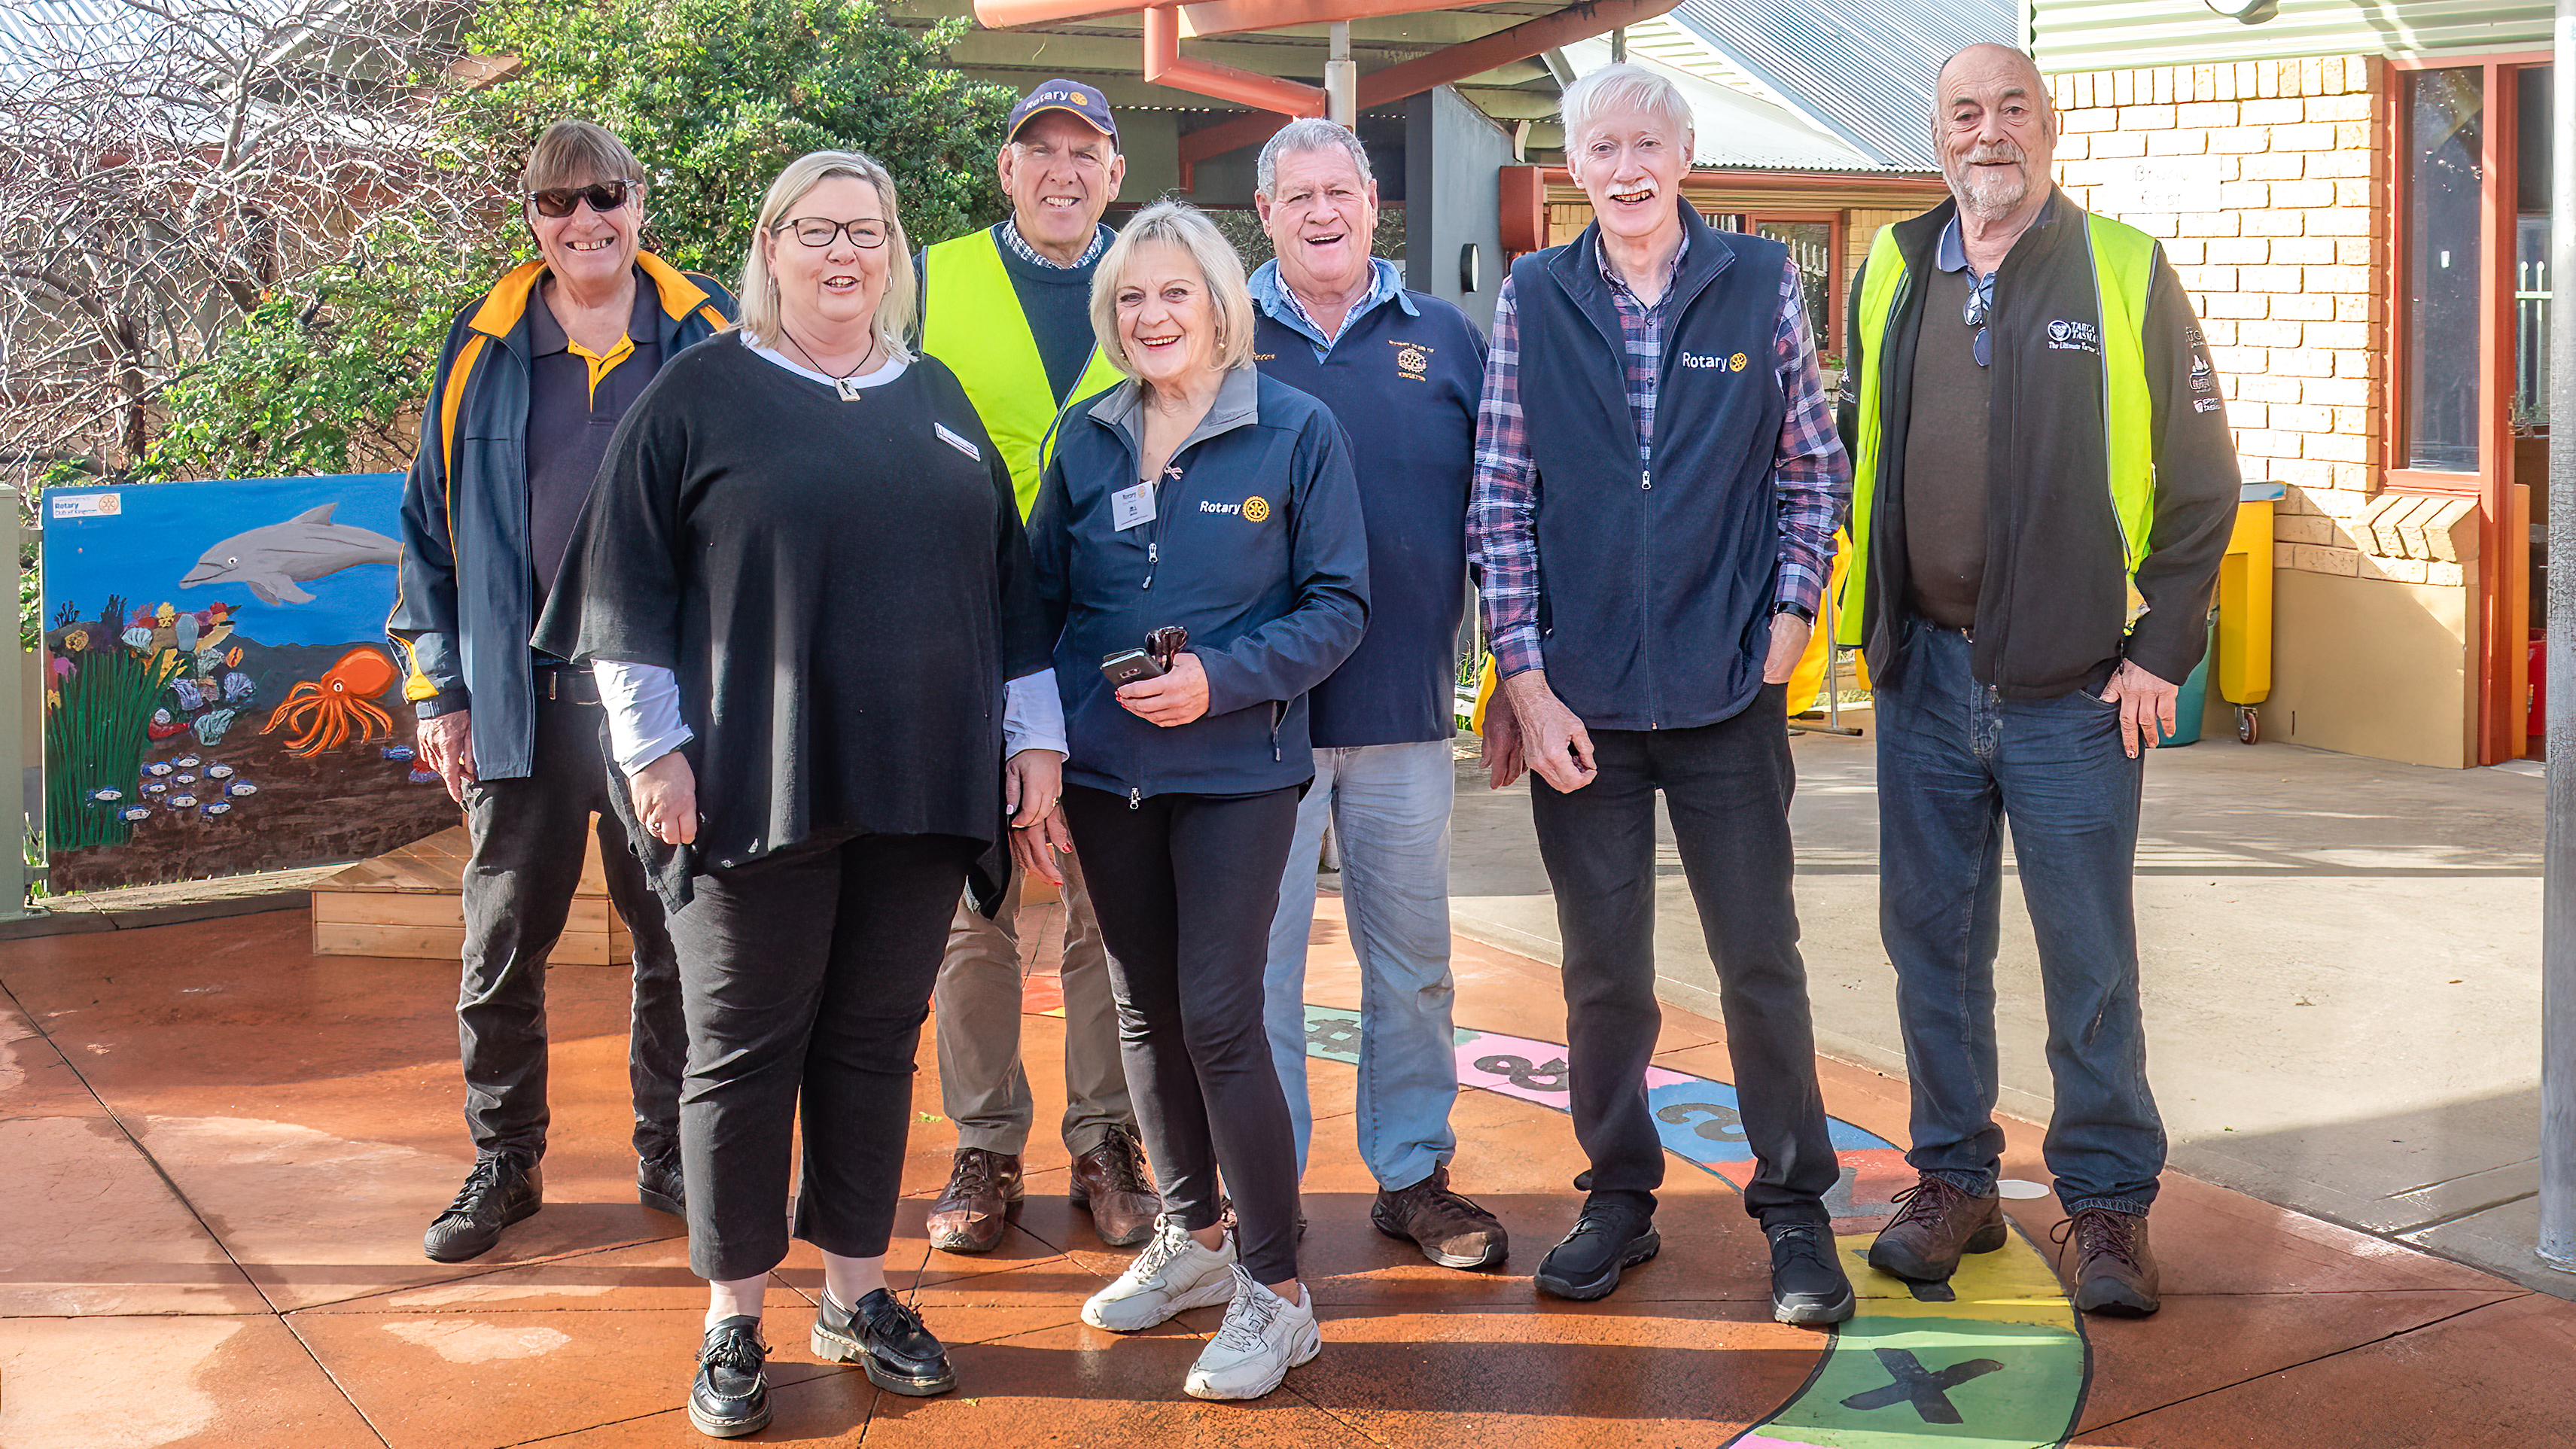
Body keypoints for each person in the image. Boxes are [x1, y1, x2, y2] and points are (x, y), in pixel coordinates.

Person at [531, 151, 1058, 1437]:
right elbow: (623, 595)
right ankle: (734, 1319)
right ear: (768, 248)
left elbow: (1011, 592)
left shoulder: (933, 397)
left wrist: (1031, 743)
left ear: (894, 252)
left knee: (876, 1043)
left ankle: (858, 1290)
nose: (843, 255)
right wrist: (652, 752)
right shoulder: (699, 394)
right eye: (815, 231)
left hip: (919, 787)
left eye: (867, 232)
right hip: (745, 786)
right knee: (744, 1049)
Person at [1839, 44, 2238, 1318]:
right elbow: (1862, 456)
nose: (1988, 132)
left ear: (2048, 128)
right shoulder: (1890, 269)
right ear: (1937, 133)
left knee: (2088, 959)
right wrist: (1871, 629)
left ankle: (2107, 1208)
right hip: (1924, 685)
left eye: (2012, 108)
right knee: (1931, 952)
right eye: (1966, 112)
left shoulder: (2121, 268)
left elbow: (2201, 476)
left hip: (2075, 689)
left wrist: (2158, 648)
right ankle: (1953, 1182)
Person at [1469, 63, 1854, 1326]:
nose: (1625, 168)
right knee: (1602, 973)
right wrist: (1523, 679)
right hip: (1578, 697)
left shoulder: (1755, 282)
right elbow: (1500, 496)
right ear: (1571, 166)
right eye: (1601, 147)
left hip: (1725, 690)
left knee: (1759, 959)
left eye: (1647, 143)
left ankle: (1794, 1208)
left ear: (1685, 156)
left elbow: (1812, 463)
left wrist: (1791, 615)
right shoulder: (1535, 292)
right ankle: (1618, 1195)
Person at [1016, 200, 1368, 1401]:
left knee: (1218, 1015)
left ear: (1221, 306)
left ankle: (1279, 1290)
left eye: (1174, 293)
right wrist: (1042, 752)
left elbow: (1338, 607)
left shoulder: (1295, 431)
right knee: (1139, 1012)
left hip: (1237, 773)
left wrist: (1222, 676)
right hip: (1110, 776)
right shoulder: (1086, 439)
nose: (1151, 315)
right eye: (1129, 298)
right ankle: (1193, 1239)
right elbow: (1040, 610)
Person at [391, 120, 732, 1265]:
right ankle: (505, 1156)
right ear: (530, 220)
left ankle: (673, 1148)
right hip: (520, 705)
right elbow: (426, 535)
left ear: (640, 202)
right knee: (501, 944)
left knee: (677, 940)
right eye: (557, 203)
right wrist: (439, 691)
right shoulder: (484, 343)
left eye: (604, 197)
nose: (584, 221)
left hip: (663, 712)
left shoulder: (709, 335)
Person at [1246, 117, 1505, 1269]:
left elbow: (1504, 517)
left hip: (1403, 713)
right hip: (1260, 723)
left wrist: (1510, 674)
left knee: (1412, 965)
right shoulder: (1219, 329)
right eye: (1294, 195)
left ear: (1369, 201)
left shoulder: (1445, 338)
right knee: (1262, 972)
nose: (1319, 212)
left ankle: (1412, 1173)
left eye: (1337, 190)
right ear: (1265, 214)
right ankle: (1266, 1188)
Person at [913, 78, 1156, 1255]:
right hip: (959, 638)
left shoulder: (1151, 279)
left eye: (1085, 153)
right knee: (976, 908)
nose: (1062, 171)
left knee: (1104, 906)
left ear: (1115, 172)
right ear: (1005, 169)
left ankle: (1105, 1135)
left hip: (1108, 640)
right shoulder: (930, 275)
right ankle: (985, 1142)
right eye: (1038, 150)